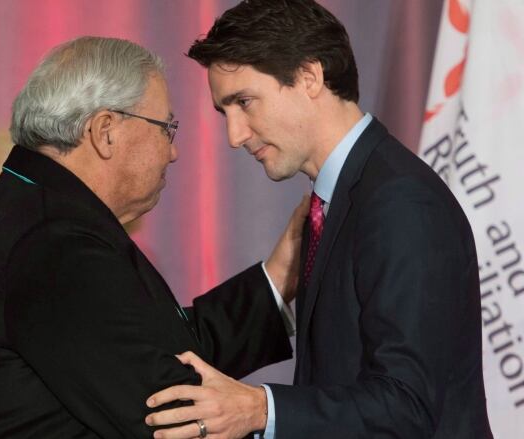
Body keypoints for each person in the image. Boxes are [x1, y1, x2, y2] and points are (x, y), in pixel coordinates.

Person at [145, 1, 494, 438]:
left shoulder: (399, 201)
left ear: (310, 77)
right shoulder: (341, 199)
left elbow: (407, 407)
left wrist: (259, 409)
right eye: (225, 113)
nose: (235, 136)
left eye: (245, 102)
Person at [0, 36, 306, 438]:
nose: (173, 152)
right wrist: (279, 414)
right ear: (106, 131)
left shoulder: (39, 207)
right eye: (167, 128)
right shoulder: (54, 239)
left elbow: (161, 349)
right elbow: (169, 411)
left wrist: (278, 276)